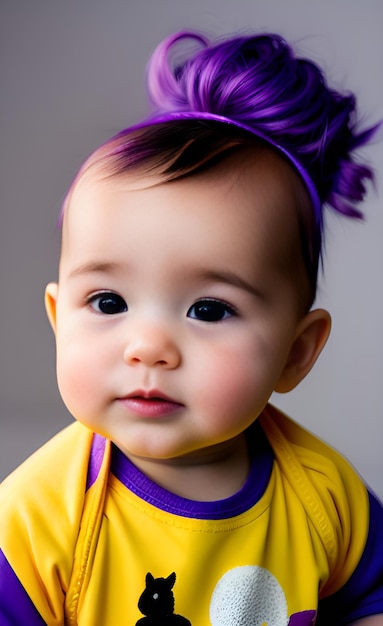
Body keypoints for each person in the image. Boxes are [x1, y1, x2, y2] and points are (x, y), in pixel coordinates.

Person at [0, 29, 382, 626]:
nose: (149, 347)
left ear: (296, 353)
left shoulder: (324, 495)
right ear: (57, 320)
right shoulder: (35, 522)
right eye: (106, 302)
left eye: (208, 309)